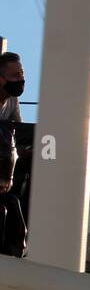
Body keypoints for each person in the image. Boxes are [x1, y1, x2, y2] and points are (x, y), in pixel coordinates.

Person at [0, 52, 26, 256]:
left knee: (14, 204)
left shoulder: (12, 101)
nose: (21, 80)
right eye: (15, 76)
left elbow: (19, 132)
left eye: (22, 74)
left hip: (5, 165)